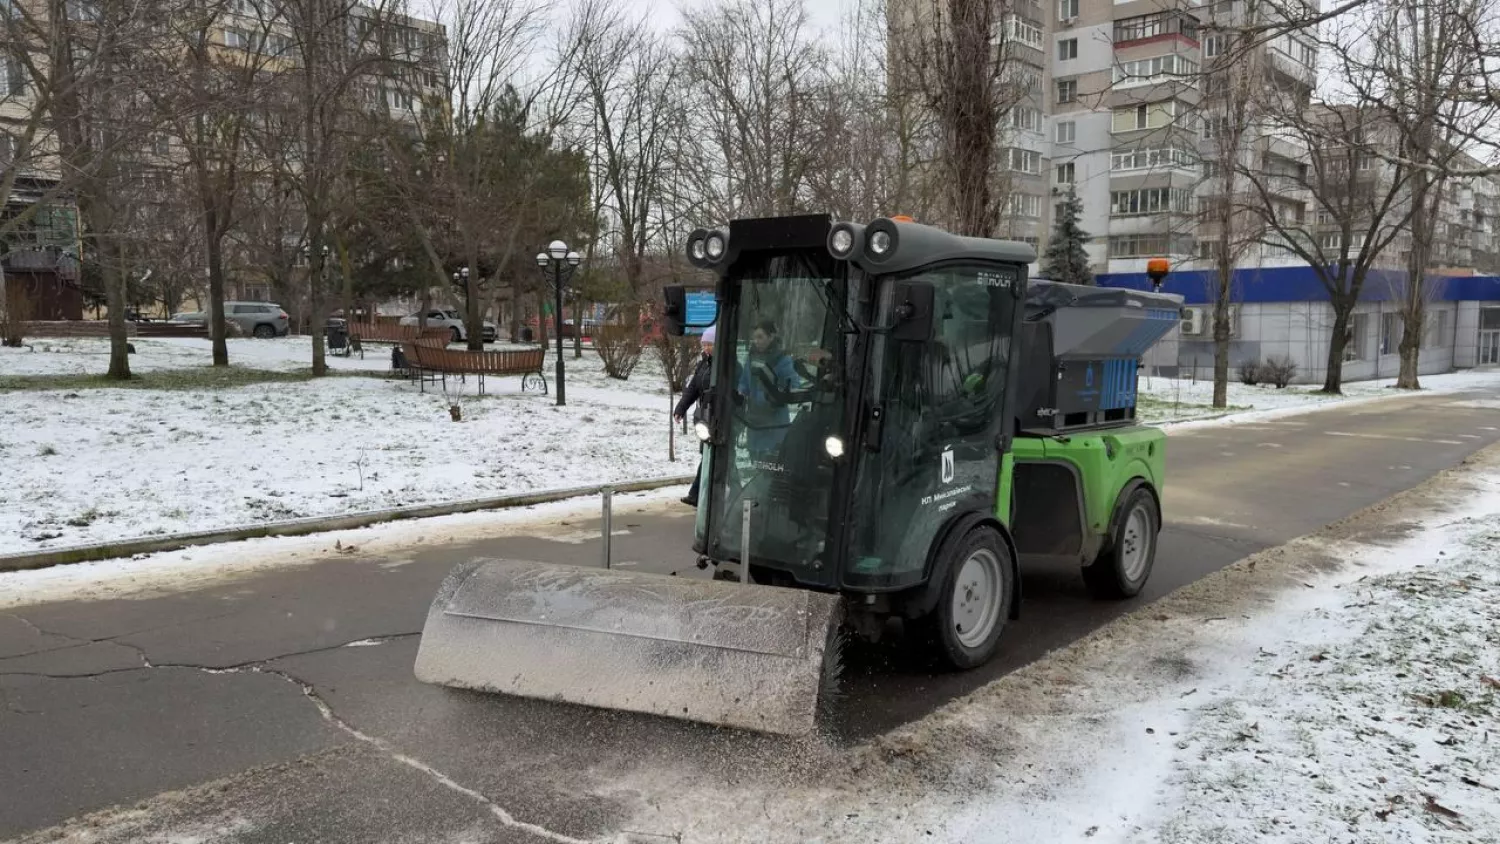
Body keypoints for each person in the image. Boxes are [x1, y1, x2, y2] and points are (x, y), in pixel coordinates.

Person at [737, 320, 799, 464]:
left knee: (773, 464)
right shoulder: (751, 358)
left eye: (760, 337)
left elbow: (794, 385)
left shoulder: (783, 360)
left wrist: (778, 393)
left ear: (771, 337)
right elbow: (744, 383)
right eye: (755, 337)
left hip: (774, 423)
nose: (756, 341)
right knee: (756, 463)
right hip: (754, 421)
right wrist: (740, 393)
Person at [674, 324, 715, 507]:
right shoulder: (703, 365)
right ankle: (698, 494)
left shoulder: (727, 365)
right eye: (704, 344)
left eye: (710, 344)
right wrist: (680, 409)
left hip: (720, 417)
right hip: (706, 417)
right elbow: (692, 389)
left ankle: (697, 494)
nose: (706, 348)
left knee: (710, 455)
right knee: (707, 454)